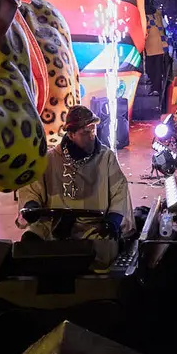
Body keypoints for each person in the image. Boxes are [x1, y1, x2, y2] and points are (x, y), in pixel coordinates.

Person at [15, 105, 133, 268]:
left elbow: (119, 189)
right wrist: (31, 205)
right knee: (31, 240)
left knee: (104, 250)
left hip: (92, 225)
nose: (92, 136)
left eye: (93, 130)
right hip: (53, 224)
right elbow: (31, 189)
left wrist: (113, 220)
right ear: (71, 134)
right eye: (86, 132)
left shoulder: (106, 157)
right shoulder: (50, 159)